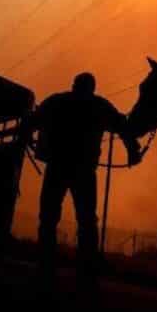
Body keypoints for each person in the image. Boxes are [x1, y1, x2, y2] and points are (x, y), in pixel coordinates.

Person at [20, 72, 142, 297]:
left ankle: (46, 269)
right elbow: (123, 127)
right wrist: (133, 151)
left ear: (74, 85)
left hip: (57, 167)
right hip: (84, 171)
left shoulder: (56, 102)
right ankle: (86, 274)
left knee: (48, 218)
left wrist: (28, 138)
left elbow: (31, 121)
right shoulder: (99, 106)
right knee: (86, 221)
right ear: (92, 88)